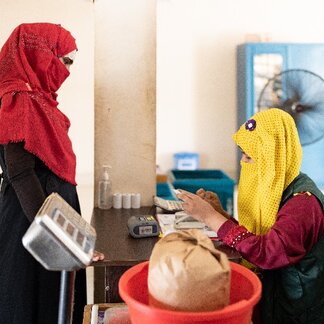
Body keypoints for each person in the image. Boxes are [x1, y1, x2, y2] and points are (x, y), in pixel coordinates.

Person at [177, 108, 324, 323]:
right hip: (276, 297)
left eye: (250, 156)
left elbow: (268, 252)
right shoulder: (278, 188)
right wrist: (221, 215)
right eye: (243, 155)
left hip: (297, 310)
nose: (244, 162)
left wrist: (211, 218)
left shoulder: (303, 203)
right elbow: (259, 236)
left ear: (273, 157)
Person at [0, 23, 103, 324]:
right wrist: (58, 236)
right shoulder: (19, 100)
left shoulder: (37, 100)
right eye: (64, 59)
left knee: (55, 301)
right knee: (36, 303)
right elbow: (20, 172)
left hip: (45, 217)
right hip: (32, 222)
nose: (67, 70)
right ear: (39, 56)